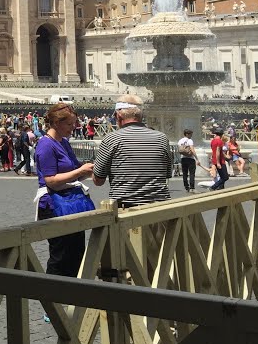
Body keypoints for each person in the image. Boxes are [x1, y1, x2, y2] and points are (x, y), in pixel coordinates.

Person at [34, 103, 96, 278]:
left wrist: (89, 170)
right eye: (69, 124)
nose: (73, 128)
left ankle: (72, 295)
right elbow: (50, 180)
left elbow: (74, 172)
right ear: (55, 123)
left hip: (71, 203)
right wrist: (79, 171)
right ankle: (53, 296)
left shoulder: (64, 143)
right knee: (61, 257)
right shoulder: (45, 145)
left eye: (74, 124)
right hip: (54, 205)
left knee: (76, 254)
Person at [92, 95, 172, 207]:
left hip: (127, 210)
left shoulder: (111, 139)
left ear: (119, 115)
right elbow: (167, 173)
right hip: (158, 209)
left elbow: (98, 181)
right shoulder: (162, 138)